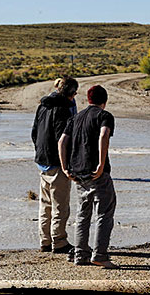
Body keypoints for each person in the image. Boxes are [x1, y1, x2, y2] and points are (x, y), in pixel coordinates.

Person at [58, 85, 117, 269]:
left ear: (88, 100)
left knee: (83, 214)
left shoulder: (76, 117)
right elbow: (104, 134)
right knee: (104, 213)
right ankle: (100, 255)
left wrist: (65, 167)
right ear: (104, 102)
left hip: (78, 173)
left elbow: (62, 142)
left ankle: (80, 254)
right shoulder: (104, 116)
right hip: (96, 173)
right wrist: (100, 164)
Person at [31, 76, 78, 254]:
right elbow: (63, 139)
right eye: (74, 93)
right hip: (57, 163)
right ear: (71, 93)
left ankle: (45, 241)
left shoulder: (43, 105)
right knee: (60, 205)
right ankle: (58, 242)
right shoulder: (63, 109)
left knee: (45, 205)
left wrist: (40, 152)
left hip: (42, 161)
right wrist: (67, 164)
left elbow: (34, 132)